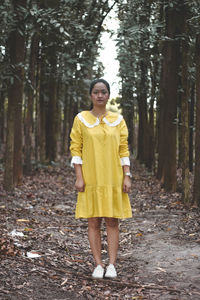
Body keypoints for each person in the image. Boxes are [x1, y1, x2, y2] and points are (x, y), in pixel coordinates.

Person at [70, 78, 132, 279]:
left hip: (113, 176)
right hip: (91, 177)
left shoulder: (118, 120)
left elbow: (123, 149)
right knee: (93, 221)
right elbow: (75, 148)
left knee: (112, 221)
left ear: (108, 95)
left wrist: (127, 175)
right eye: (96, 92)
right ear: (90, 95)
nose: (99, 95)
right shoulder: (81, 119)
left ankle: (112, 264)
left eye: (103, 92)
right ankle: (98, 264)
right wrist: (79, 176)